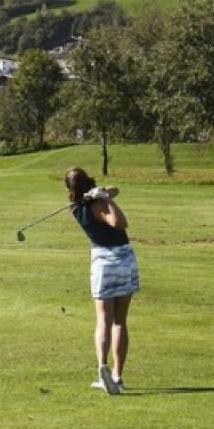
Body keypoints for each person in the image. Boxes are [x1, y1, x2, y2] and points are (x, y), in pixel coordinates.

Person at [65, 167, 138, 395]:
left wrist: (101, 192)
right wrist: (106, 199)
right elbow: (120, 223)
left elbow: (116, 189)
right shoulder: (100, 205)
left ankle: (102, 369)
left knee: (103, 321)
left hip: (102, 263)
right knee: (119, 322)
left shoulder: (75, 207)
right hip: (123, 259)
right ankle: (116, 375)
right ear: (89, 181)